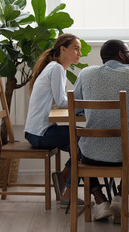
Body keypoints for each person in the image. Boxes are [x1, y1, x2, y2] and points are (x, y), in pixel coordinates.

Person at [73, 39, 129, 222]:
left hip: (91, 156)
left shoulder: (85, 73)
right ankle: (120, 196)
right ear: (121, 54)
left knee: (80, 150)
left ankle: (100, 200)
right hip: (124, 156)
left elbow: (75, 109)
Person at [24, 33, 84, 207]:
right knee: (85, 141)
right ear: (63, 49)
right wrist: (86, 104)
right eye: (75, 49)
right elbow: (62, 102)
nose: (79, 53)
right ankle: (68, 193)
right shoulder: (56, 69)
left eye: (79, 50)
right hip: (40, 134)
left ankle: (64, 177)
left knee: (82, 142)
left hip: (36, 131)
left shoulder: (54, 68)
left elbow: (60, 103)